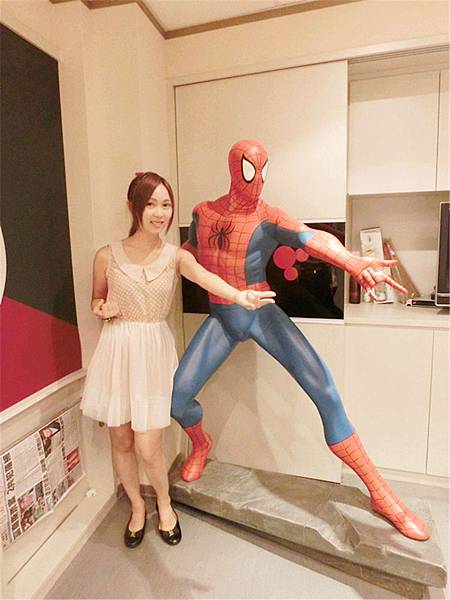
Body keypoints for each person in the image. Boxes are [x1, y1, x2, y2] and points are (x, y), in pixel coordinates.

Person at [170, 139, 430, 542]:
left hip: (261, 313)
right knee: (176, 398)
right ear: (234, 168)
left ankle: (380, 493)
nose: (257, 180)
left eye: (263, 170)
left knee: (325, 392)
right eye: (250, 169)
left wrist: (353, 262)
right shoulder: (202, 213)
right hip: (222, 316)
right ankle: (201, 444)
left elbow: (312, 238)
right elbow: (188, 254)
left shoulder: (268, 217)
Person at [81, 171, 275, 549]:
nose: (160, 213)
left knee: (148, 446)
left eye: (166, 204)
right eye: (151, 204)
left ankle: (164, 503)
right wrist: (102, 308)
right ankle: (138, 507)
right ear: (133, 207)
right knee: (121, 440)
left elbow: (204, 277)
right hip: (117, 352)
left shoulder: (175, 256)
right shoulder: (106, 255)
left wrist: (239, 296)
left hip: (152, 352)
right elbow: (96, 300)